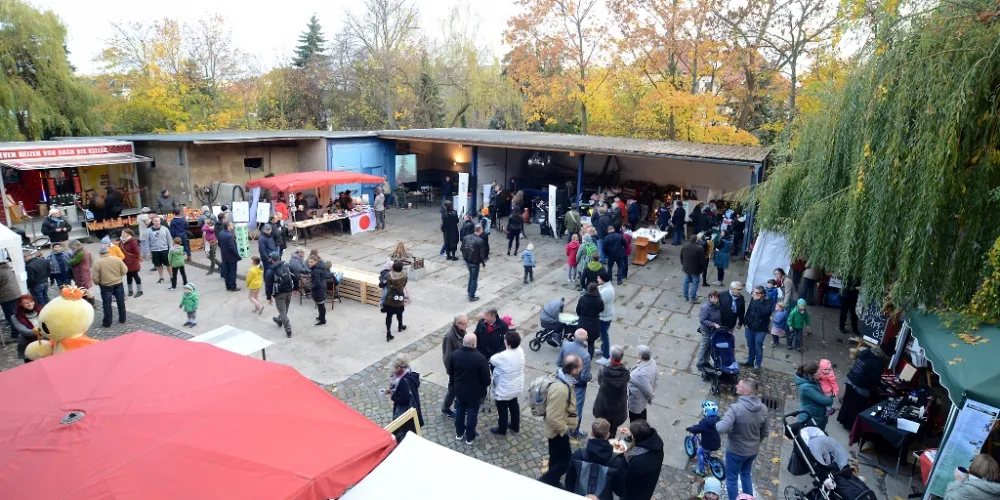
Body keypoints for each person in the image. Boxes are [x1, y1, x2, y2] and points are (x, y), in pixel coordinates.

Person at [716, 379, 769, 500]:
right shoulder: (763, 408)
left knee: (732, 479)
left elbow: (722, 428)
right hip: (752, 451)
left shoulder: (735, 408)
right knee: (745, 474)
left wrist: (716, 424)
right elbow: (765, 432)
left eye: (739, 386)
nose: (736, 386)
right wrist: (756, 442)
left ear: (746, 392)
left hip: (735, 451)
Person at [539, 355, 581, 487]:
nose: (581, 370)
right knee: (565, 460)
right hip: (557, 431)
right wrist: (565, 429)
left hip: (557, 429)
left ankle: (553, 482)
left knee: (556, 457)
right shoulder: (561, 389)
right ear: (574, 370)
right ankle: (544, 482)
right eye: (580, 367)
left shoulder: (563, 380)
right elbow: (553, 417)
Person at [564, 418, 627, 500]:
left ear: (592, 433)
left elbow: (569, 482)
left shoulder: (578, 455)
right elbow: (620, 491)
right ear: (608, 435)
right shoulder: (616, 462)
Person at [447, 333, 491, 445]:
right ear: (474, 344)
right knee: (472, 413)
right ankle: (469, 437)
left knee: (460, 411)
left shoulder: (454, 355)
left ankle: (459, 433)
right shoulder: (480, 358)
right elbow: (486, 379)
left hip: (460, 390)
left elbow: (450, 373)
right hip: (475, 393)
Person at [837, 346, 887, 430]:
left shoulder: (867, 353)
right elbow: (874, 379)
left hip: (851, 379)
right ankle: (850, 426)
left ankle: (842, 419)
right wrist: (881, 386)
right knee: (856, 407)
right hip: (860, 386)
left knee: (848, 402)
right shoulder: (878, 362)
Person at [558, 329, 593, 437]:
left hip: (563, 381)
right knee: (577, 410)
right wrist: (590, 377)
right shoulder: (586, 355)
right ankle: (575, 431)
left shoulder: (565, 345)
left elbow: (559, 362)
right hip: (577, 386)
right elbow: (584, 376)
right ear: (586, 339)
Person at [490, 331, 525, 435]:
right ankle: (515, 425)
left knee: (502, 409)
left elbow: (492, 360)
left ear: (508, 343)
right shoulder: (520, 351)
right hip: (516, 386)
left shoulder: (502, 356)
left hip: (504, 389)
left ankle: (502, 429)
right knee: (514, 405)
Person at [620, 419, 665, 500]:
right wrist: (631, 435)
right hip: (647, 488)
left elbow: (626, 479)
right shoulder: (656, 443)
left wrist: (621, 456)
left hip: (635, 494)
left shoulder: (638, 461)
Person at [593, 345, 630, 433]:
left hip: (604, 404)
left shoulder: (603, 370)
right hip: (618, 406)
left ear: (611, 356)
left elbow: (599, 382)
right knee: (613, 429)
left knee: (601, 427)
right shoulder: (625, 372)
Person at [92, 244, 128, 328]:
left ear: (100, 253)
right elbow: (125, 270)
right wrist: (119, 276)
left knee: (107, 303)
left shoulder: (97, 263)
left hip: (105, 285)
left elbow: (95, 277)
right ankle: (123, 318)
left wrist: (98, 282)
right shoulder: (116, 259)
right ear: (109, 251)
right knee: (120, 301)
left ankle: (107, 322)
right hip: (118, 283)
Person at [441, 314, 469, 418]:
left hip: (461, 368)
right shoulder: (449, 336)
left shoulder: (461, 331)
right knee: (452, 391)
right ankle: (445, 409)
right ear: (458, 324)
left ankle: (458, 406)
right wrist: (451, 372)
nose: (467, 326)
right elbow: (447, 357)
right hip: (454, 370)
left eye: (467, 323)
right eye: (464, 324)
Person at [388, 354, 425, 429]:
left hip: (407, 412)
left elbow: (404, 400)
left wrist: (393, 396)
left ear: (399, 368)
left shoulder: (403, 381)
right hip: (415, 406)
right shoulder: (410, 374)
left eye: (395, 367)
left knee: (409, 430)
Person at [795, 362, 835, 430]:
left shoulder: (813, 380)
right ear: (811, 375)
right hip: (810, 418)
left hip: (816, 415)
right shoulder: (806, 388)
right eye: (818, 374)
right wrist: (830, 396)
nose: (821, 375)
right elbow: (827, 401)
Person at [687, 401, 722, 477]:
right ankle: (707, 455)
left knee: (699, 452)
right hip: (717, 442)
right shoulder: (717, 419)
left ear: (706, 411)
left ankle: (701, 471)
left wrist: (691, 429)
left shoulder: (705, 422)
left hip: (708, 444)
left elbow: (698, 429)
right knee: (706, 450)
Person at [265, 252, 295, 338]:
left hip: (279, 294)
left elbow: (268, 286)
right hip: (289, 291)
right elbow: (295, 276)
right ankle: (279, 320)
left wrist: (268, 297)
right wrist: (296, 288)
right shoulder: (287, 266)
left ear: (271, 259)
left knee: (283, 312)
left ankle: (288, 330)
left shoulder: (270, 271)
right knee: (284, 310)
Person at [743, 286, 772, 371]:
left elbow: (765, 312)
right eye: (753, 292)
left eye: (756, 293)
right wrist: (745, 322)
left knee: (758, 347)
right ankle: (750, 361)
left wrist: (758, 301)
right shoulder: (753, 299)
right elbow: (749, 310)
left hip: (760, 329)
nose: (753, 294)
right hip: (749, 327)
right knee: (750, 345)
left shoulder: (768, 302)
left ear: (762, 294)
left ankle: (757, 364)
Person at [627, 345, 657, 422]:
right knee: (642, 414)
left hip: (637, 402)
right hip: (642, 401)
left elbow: (648, 391)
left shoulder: (639, 374)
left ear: (640, 356)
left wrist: (651, 396)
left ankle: (636, 433)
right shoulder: (652, 362)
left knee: (635, 421)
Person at [577, 282, 605, 360]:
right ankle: (588, 360)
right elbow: (602, 309)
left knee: (579, 343)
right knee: (591, 344)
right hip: (594, 325)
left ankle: (579, 359)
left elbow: (578, 310)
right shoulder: (599, 300)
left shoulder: (582, 299)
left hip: (583, 323)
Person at [383, 260, 409, 342]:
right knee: (400, 312)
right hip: (399, 297)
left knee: (389, 316)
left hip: (389, 298)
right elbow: (404, 284)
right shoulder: (404, 275)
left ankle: (388, 333)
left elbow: (383, 285)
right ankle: (400, 326)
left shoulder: (388, 275)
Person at [697, 291, 723, 372]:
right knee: (704, 346)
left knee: (710, 346)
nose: (716, 300)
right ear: (710, 298)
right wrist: (713, 324)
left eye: (717, 298)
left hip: (713, 330)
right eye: (714, 298)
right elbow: (702, 320)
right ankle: (699, 363)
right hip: (706, 330)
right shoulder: (705, 307)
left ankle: (706, 362)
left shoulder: (717, 305)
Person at [462, 224, 486, 302]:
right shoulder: (480, 241)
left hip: (467, 260)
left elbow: (462, 248)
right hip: (474, 261)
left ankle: (469, 291)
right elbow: (481, 254)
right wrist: (483, 263)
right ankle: (471, 295)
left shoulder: (466, 237)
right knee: (474, 279)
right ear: (480, 230)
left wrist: (465, 257)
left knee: (471, 276)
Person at [596, 274, 615, 365]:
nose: (597, 279)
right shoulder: (605, 287)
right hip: (604, 315)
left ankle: (606, 356)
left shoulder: (607, 291)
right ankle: (603, 349)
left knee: (604, 336)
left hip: (605, 316)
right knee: (602, 335)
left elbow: (598, 302)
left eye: (599, 278)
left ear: (603, 279)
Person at [147, 217, 172, 285]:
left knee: (168, 264)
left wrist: (171, 248)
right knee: (158, 265)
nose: (157, 222)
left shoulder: (165, 229)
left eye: (158, 221)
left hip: (164, 249)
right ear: (152, 222)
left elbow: (169, 239)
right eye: (155, 221)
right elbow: (147, 241)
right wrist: (148, 251)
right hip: (155, 250)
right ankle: (161, 277)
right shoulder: (149, 230)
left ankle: (171, 277)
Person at [308, 255, 331, 326]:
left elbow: (316, 283)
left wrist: (310, 287)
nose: (309, 263)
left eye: (311, 262)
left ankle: (323, 320)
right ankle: (320, 317)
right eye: (309, 262)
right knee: (320, 304)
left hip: (319, 289)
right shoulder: (320, 266)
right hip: (322, 285)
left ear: (316, 261)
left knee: (321, 305)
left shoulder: (316, 271)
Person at [0, 262, 21, 339]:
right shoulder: (7, 268)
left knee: (11, 316)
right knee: (15, 313)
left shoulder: (1, 271)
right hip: (14, 294)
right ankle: (19, 331)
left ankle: (16, 333)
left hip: (7, 296)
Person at [218, 222, 241, 292]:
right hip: (232, 257)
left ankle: (228, 286)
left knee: (226, 272)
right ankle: (233, 286)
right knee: (233, 272)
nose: (232, 226)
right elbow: (232, 247)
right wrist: (237, 255)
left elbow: (219, 244)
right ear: (228, 226)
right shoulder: (230, 235)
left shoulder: (221, 233)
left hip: (224, 256)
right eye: (231, 225)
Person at [119, 229, 142, 298]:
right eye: (122, 232)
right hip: (125, 262)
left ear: (128, 234)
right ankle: (130, 290)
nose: (122, 234)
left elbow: (137, 253)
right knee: (128, 276)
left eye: (124, 233)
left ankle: (139, 290)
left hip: (133, 262)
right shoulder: (121, 241)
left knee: (135, 275)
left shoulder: (133, 241)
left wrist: (130, 259)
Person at [681, 235, 704, 303]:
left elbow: (681, 256)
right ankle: (692, 298)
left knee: (686, 281)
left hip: (686, 267)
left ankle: (686, 296)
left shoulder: (685, 246)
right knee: (695, 282)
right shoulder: (699, 248)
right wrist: (702, 268)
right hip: (695, 269)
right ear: (696, 240)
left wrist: (683, 264)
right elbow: (702, 260)